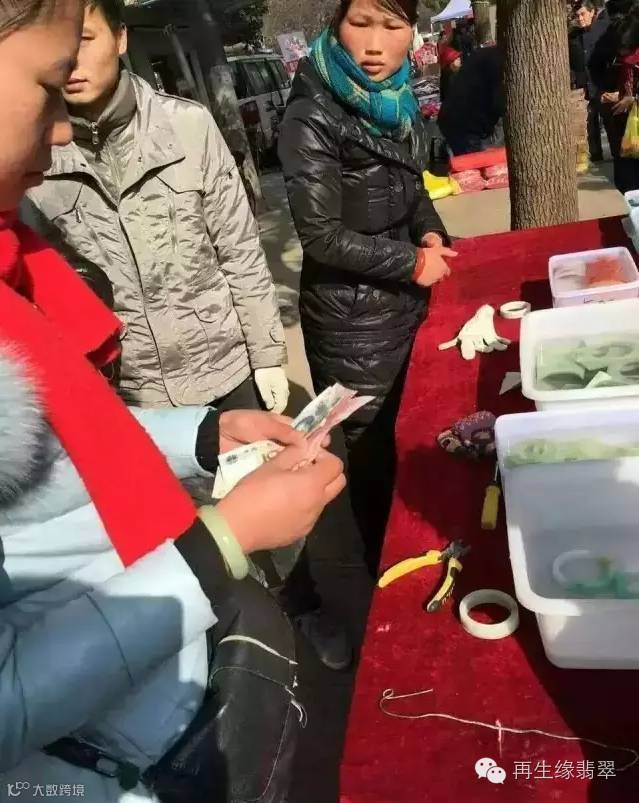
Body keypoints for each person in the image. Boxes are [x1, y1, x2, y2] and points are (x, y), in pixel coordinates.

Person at [0, 2, 347, 802]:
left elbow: (59, 451)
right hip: (105, 763)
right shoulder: (32, 199)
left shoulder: (182, 130)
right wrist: (221, 542)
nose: (60, 128)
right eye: (48, 82)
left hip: (210, 379)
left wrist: (208, 426)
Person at [23, 0, 289, 417]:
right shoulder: (31, 158)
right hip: (131, 394)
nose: (70, 58)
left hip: (226, 371)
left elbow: (240, 251)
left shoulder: (188, 126)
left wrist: (267, 353)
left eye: (84, 39)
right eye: (56, 42)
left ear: (120, 38)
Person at [278, 0, 455, 574]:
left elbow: (414, 189)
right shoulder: (311, 114)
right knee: (376, 462)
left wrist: (429, 233)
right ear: (336, 26)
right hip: (351, 321)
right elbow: (321, 236)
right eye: (360, 24)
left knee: (420, 431)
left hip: (405, 300)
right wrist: (411, 262)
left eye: (392, 26)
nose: (375, 45)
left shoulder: (399, 99)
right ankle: (378, 585)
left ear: (411, 32)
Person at [590, 0, 639, 192]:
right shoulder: (617, 39)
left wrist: (633, 99)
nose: (621, 54)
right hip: (624, 125)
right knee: (626, 174)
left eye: (625, 49)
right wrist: (607, 92)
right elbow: (596, 65)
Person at [437, 44, 505, 156]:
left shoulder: (484, 54)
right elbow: (500, 104)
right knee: (475, 161)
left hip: (456, 120)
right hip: (465, 126)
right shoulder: (497, 62)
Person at [569, 1, 609, 161]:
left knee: (609, 121)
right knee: (590, 123)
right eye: (577, 15)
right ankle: (595, 155)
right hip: (584, 86)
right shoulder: (573, 36)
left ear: (592, 12)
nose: (580, 18)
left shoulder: (603, 30)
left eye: (583, 14)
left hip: (602, 84)